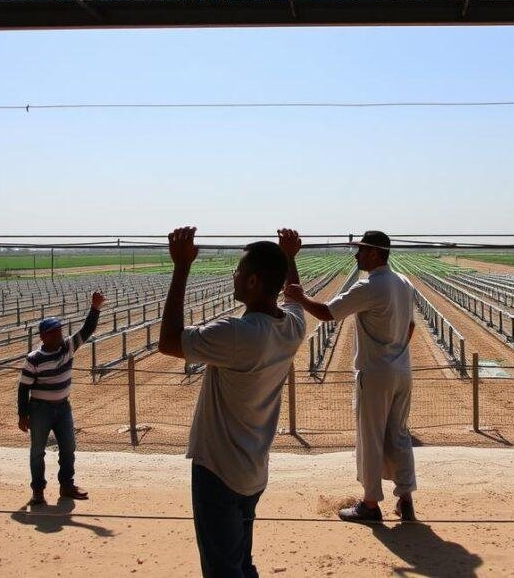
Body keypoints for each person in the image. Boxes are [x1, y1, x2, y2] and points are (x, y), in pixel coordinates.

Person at [158, 227, 306, 577]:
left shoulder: (238, 334)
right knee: (240, 560)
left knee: (223, 568)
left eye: (238, 271)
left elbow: (168, 342)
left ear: (254, 281)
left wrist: (180, 268)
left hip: (218, 471)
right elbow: (295, 298)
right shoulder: (293, 328)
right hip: (253, 469)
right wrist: (289, 258)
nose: (233, 276)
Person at [284, 230, 417, 523]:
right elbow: (410, 327)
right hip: (402, 371)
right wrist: (395, 351)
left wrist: (300, 297)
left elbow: (327, 313)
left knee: (370, 438)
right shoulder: (404, 283)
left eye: (360, 250)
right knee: (399, 435)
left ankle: (370, 505)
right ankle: (405, 499)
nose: (356, 255)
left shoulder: (369, 286)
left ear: (374, 253)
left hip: (375, 373)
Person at [18, 289, 106, 506]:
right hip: (40, 410)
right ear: (43, 336)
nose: (59, 335)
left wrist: (95, 308)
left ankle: (67, 485)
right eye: (54, 332)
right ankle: (37, 491)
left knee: (68, 447)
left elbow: (87, 330)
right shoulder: (34, 359)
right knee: (38, 451)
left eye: (59, 331)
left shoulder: (67, 347)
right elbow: (23, 388)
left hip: (63, 408)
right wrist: (23, 414)